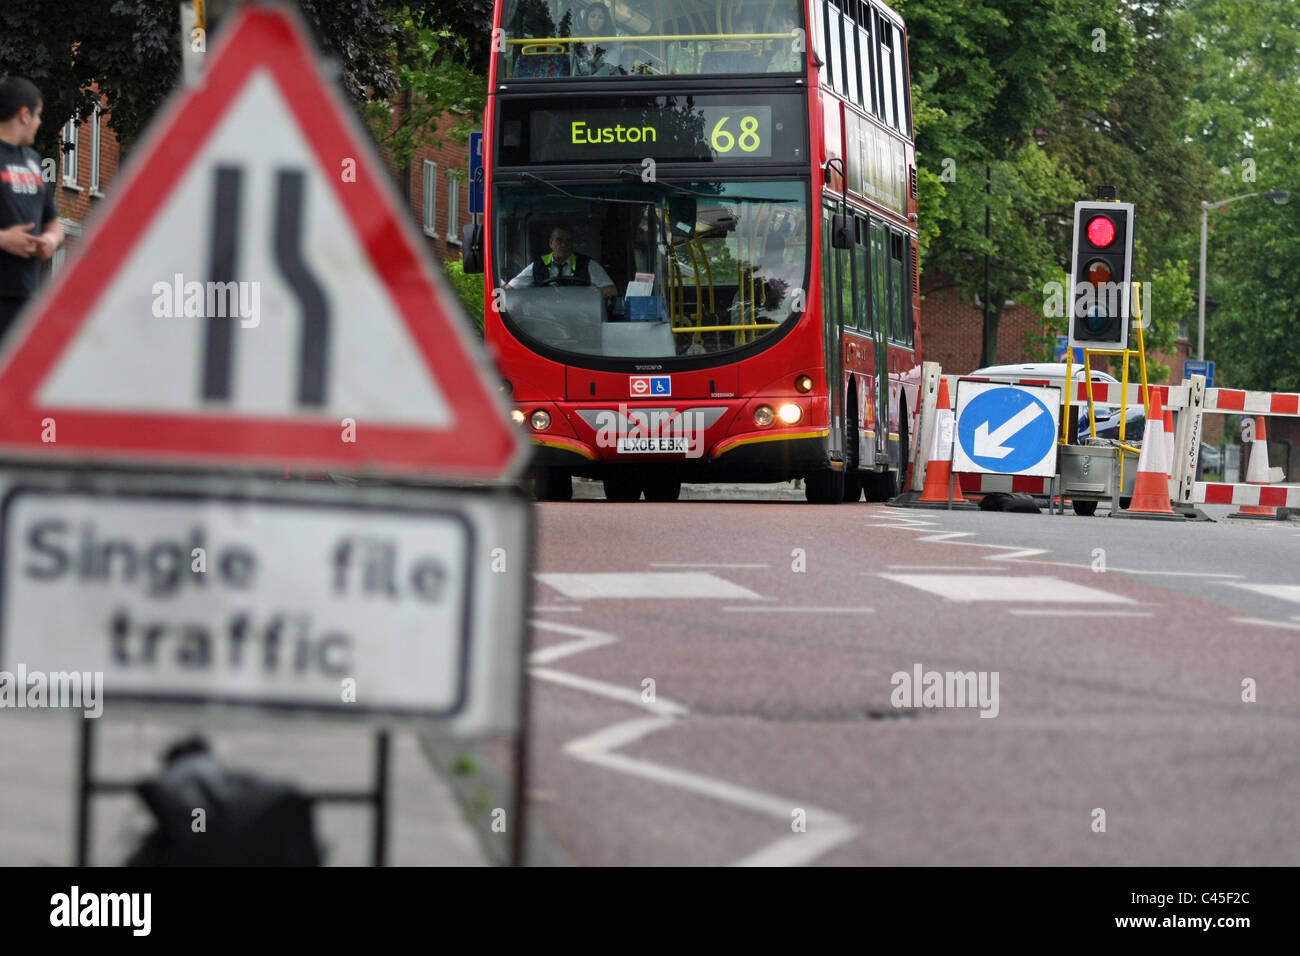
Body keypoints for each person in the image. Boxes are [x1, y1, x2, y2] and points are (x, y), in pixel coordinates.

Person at [0, 76, 64, 339]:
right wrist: (4, 239)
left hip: (26, 296)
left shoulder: (34, 162)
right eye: (38, 115)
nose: (39, 122)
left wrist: (50, 240)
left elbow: (54, 224)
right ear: (24, 114)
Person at [505, 225, 617, 298]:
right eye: (559, 240)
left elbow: (611, 291)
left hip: (580, 317)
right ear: (551, 243)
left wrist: (584, 294)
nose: (563, 245)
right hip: (546, 319)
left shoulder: (587, 264)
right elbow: (510, 288)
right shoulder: (538, 265)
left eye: (568, 241)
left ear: (573, 244)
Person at [573, 3, 623, 76]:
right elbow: (575, 68)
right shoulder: (578, 42)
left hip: (606, 82)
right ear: (587, 18)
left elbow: (610, 66)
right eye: (592, 16)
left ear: (605, 22)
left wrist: (592, 80)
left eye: (600, 17)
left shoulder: (613, 41)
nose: (595, 20)